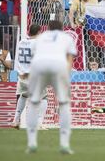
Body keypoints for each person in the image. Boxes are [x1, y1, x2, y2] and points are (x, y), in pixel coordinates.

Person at [26, 20, 77, 154]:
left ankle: (31, 142)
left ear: (48, 28)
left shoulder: (41, 37)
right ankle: (64, 144)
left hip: (38, 65)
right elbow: (70, 58)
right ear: (61, 29)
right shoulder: (66, 37)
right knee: (64, 104)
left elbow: (32, 55)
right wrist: (66, 76)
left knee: (34, 101)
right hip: (58, 65)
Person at [11, 24, 48, 130]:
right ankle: (39, 123)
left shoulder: (21, 42)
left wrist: (20, 71)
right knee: (44, 97)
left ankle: (15, 120)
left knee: (23, 96)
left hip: (22, 76)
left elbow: (18, 58)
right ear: (38, 32)